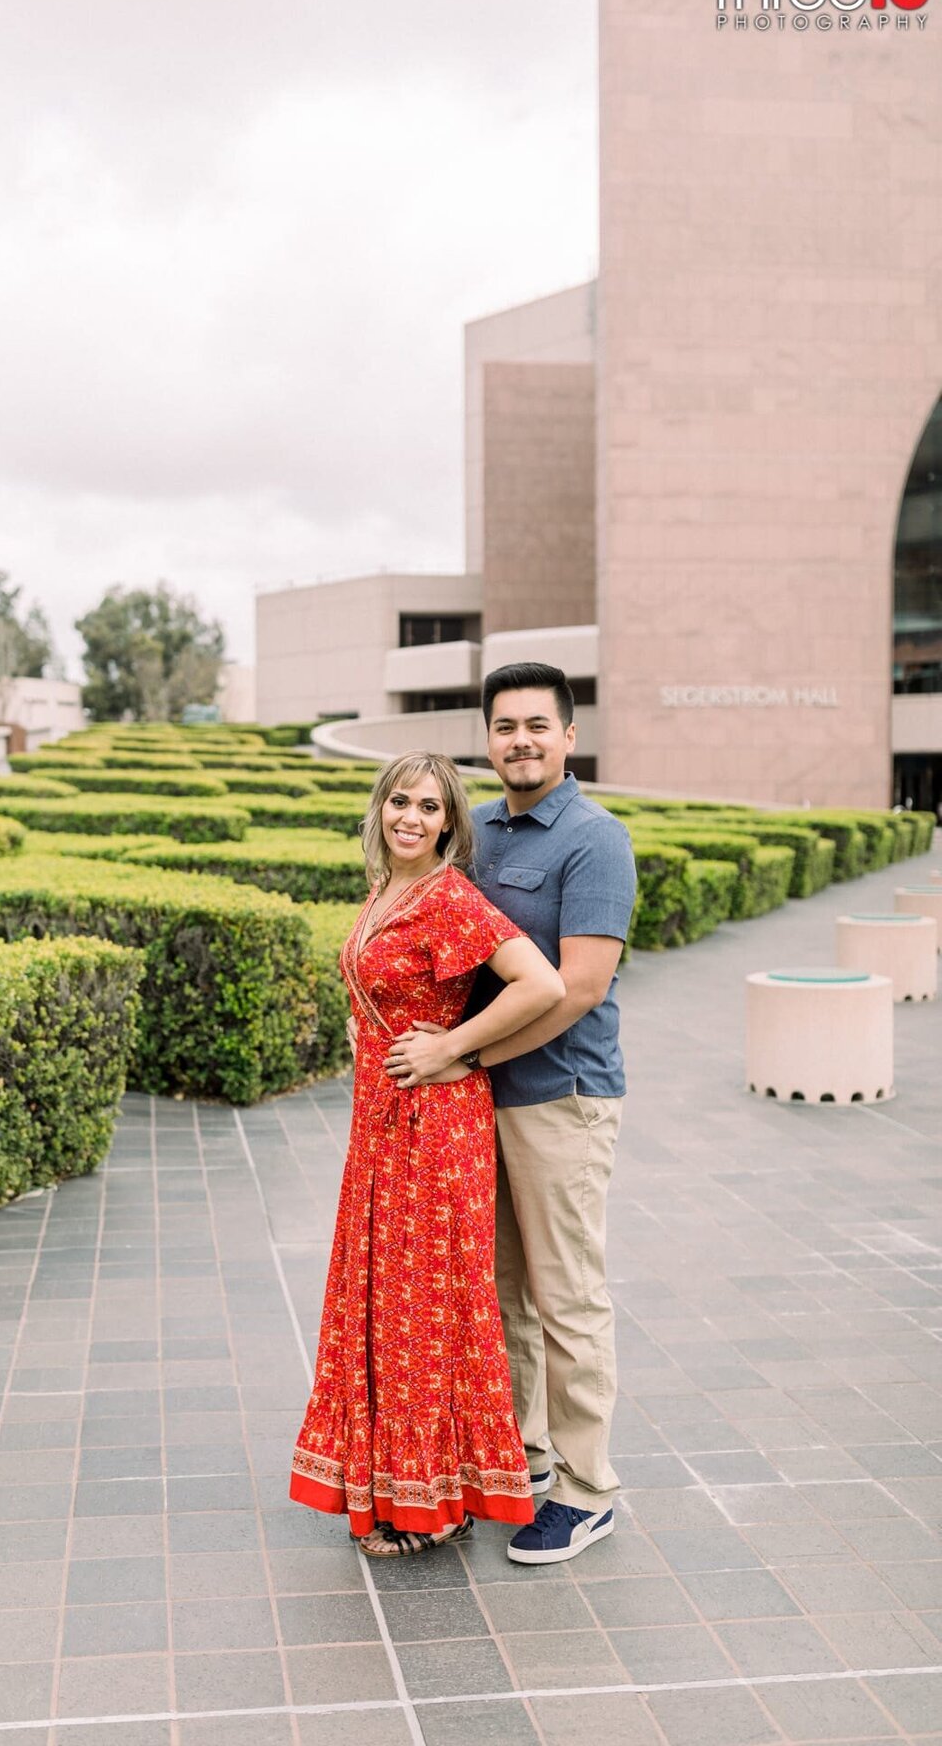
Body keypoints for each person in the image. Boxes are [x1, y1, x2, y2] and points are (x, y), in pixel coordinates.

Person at [387, 664, 637, 1566]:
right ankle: (522, 1456)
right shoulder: (473, 830)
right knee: (498, 1295)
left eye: (538, 725)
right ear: (486, 740)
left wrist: (459, 1054)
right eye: (504, 727)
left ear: (570, 736)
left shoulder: (594, 840)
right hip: (471, 1105)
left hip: (559, 1097)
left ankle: (587, 1487)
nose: (520, 741)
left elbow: (578, 988)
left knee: (567, 1295)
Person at [290, 752, 566, 1556]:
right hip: (379, 1122)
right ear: (380, 809)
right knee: (381, 1300)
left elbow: (540, 985)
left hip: (434, 1126)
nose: (411, 817)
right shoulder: (387, 890)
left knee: (425, 1309)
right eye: (399, 802)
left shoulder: (448, 897)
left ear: (450, 823)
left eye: (430, 807)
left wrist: (455, 1046)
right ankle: (394, 1486)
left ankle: (436, 1505)